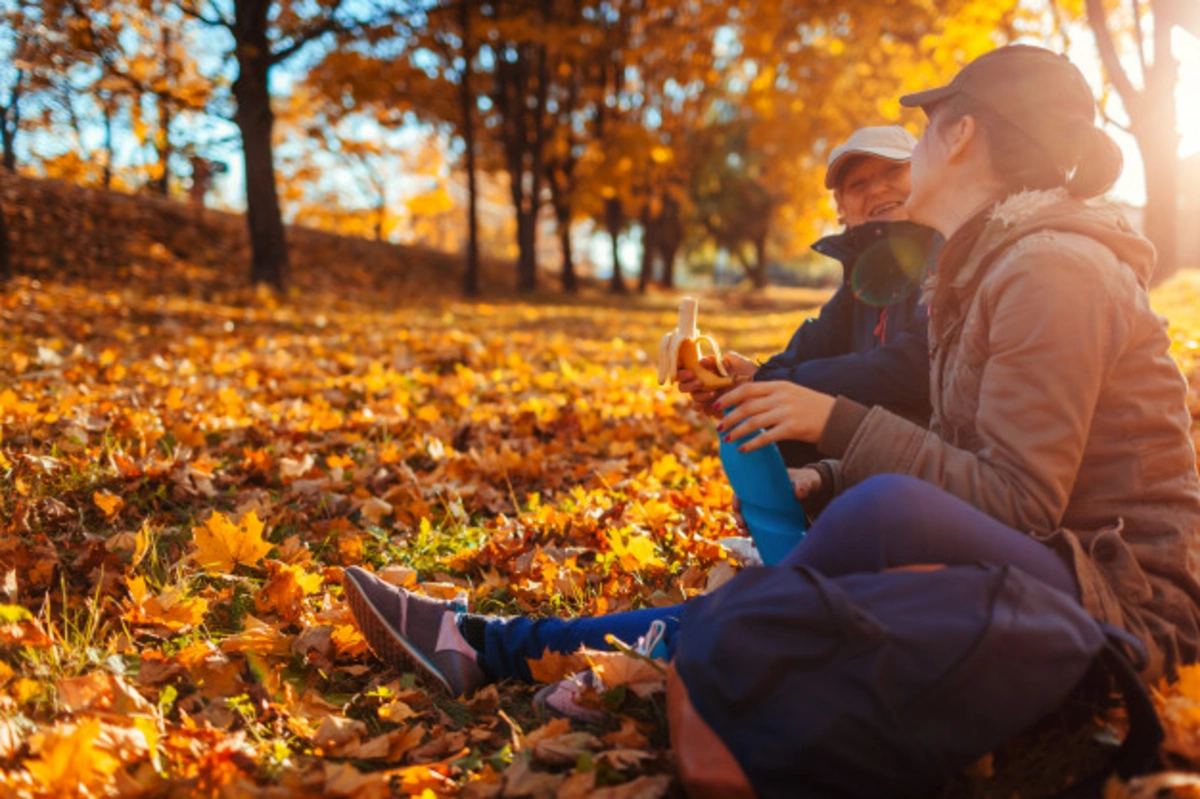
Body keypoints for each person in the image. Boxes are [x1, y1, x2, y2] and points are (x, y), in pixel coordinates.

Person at [343, 45, 1200, 697]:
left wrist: (833, 428)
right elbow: (950, 436)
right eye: (851, 188)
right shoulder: (981, 269)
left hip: (1116, 590)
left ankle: (513, 647)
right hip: (1053, 560)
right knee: (824, 543)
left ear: (961, 133)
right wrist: (812, 451)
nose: (878, 190)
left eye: (915, 142)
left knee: (866, 523)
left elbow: (1015, 497)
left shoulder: (1047, 271)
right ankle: (508, 645)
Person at [680, 125, 939, 505]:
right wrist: (741, 379)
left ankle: (833, 504)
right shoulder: (862, 278)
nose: (878, 189)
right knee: (763, 428)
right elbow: (810, 349)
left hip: (930, 444)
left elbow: (911, 364)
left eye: (893, 171)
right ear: (842, 211)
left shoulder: (943, 255)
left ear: (925, 176)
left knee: (785, 408)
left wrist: (769, 380)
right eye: (858, 184)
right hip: (866, 434)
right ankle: (793, 527)